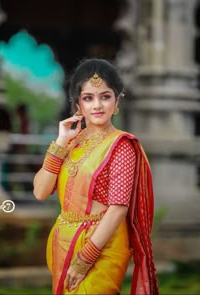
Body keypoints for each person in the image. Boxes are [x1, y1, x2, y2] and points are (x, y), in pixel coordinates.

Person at [33, 58, 159, 295]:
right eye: (88, 98)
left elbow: (118, 209)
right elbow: (40, 191)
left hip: (102, 246)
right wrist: (60, 142)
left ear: (116, 101)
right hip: (63, 242)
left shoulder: (121, 145)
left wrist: (84, 258)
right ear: (78, 105)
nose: (97, 105)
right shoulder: (71, 142)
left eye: (105, 96)